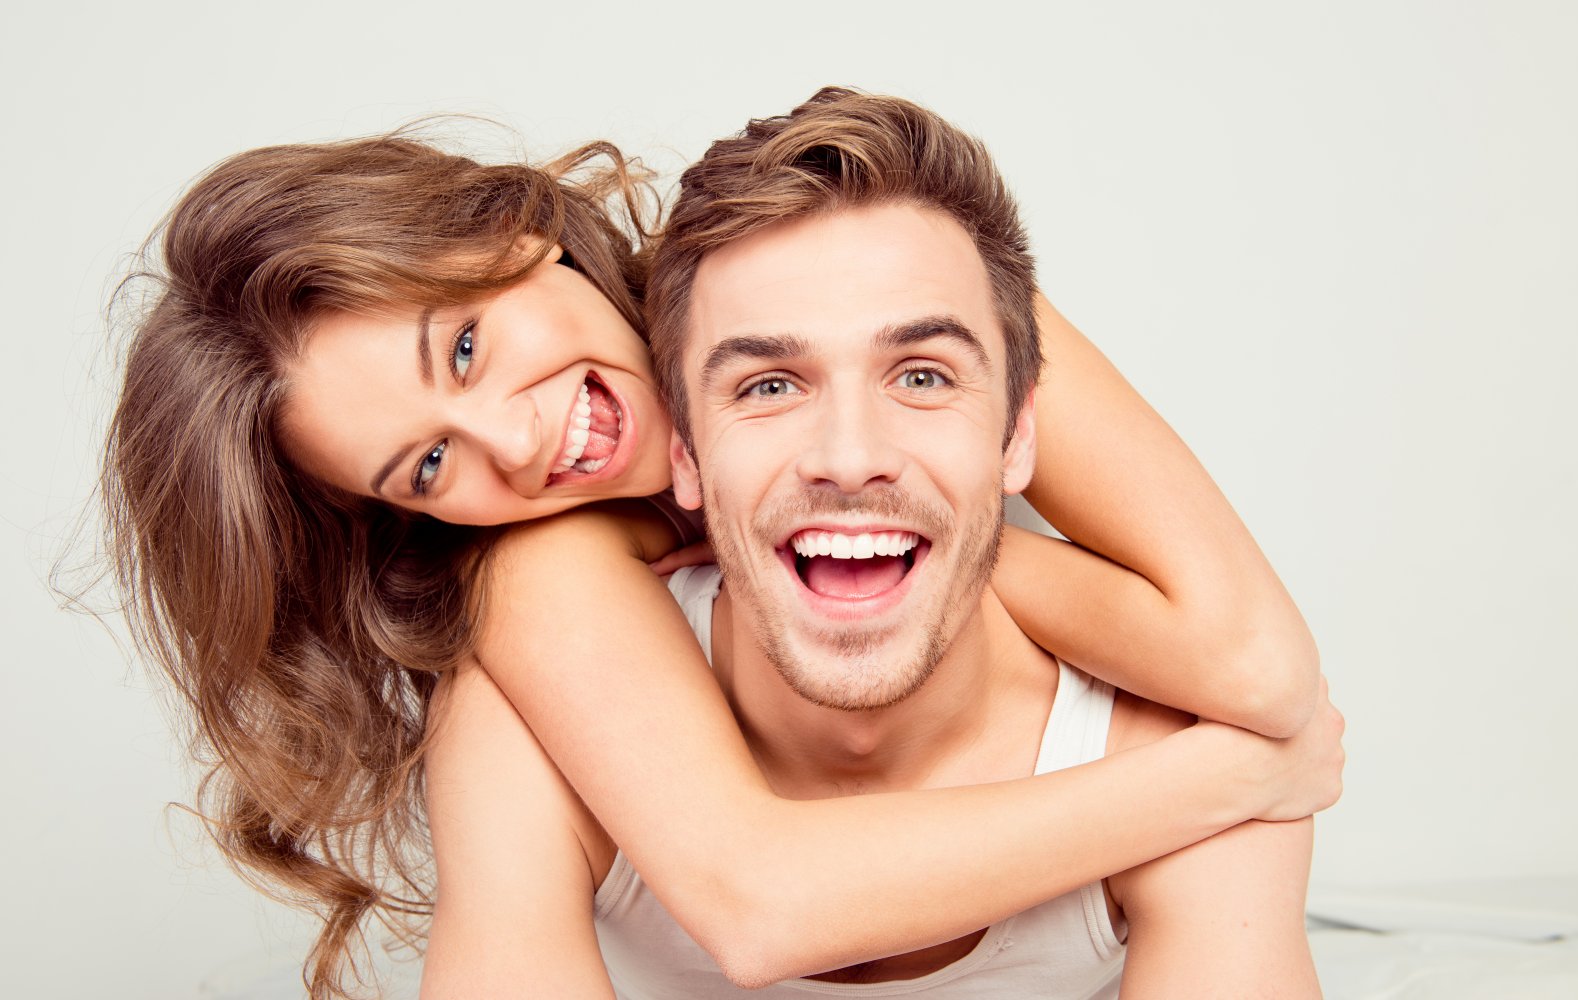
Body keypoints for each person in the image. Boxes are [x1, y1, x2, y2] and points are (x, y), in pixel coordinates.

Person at [102, 95, 1338, 999]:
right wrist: (1223, 781)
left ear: (511, 232)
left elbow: (1262, 669)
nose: (517, 442)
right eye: (428, 464)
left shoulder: (885, 261)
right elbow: (760, 900)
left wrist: (898, 530)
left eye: (466, 347)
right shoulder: (540, 571)